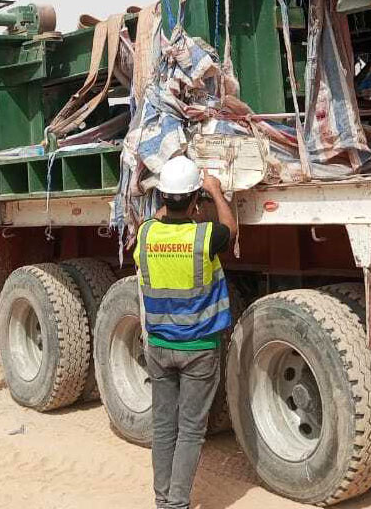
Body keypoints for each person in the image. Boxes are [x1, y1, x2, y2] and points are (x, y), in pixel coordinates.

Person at [132, 155, 237, 509]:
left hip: (159, 346)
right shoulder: (205, 236)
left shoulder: (146, 234)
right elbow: (231, 229)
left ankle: (163, 502)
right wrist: (215, 192)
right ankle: (177, 504)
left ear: (162, 197)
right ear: (195, 201)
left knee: (164, 428)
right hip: (198, 348)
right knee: (190, 430)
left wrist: (180, 196)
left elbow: (158, 218)